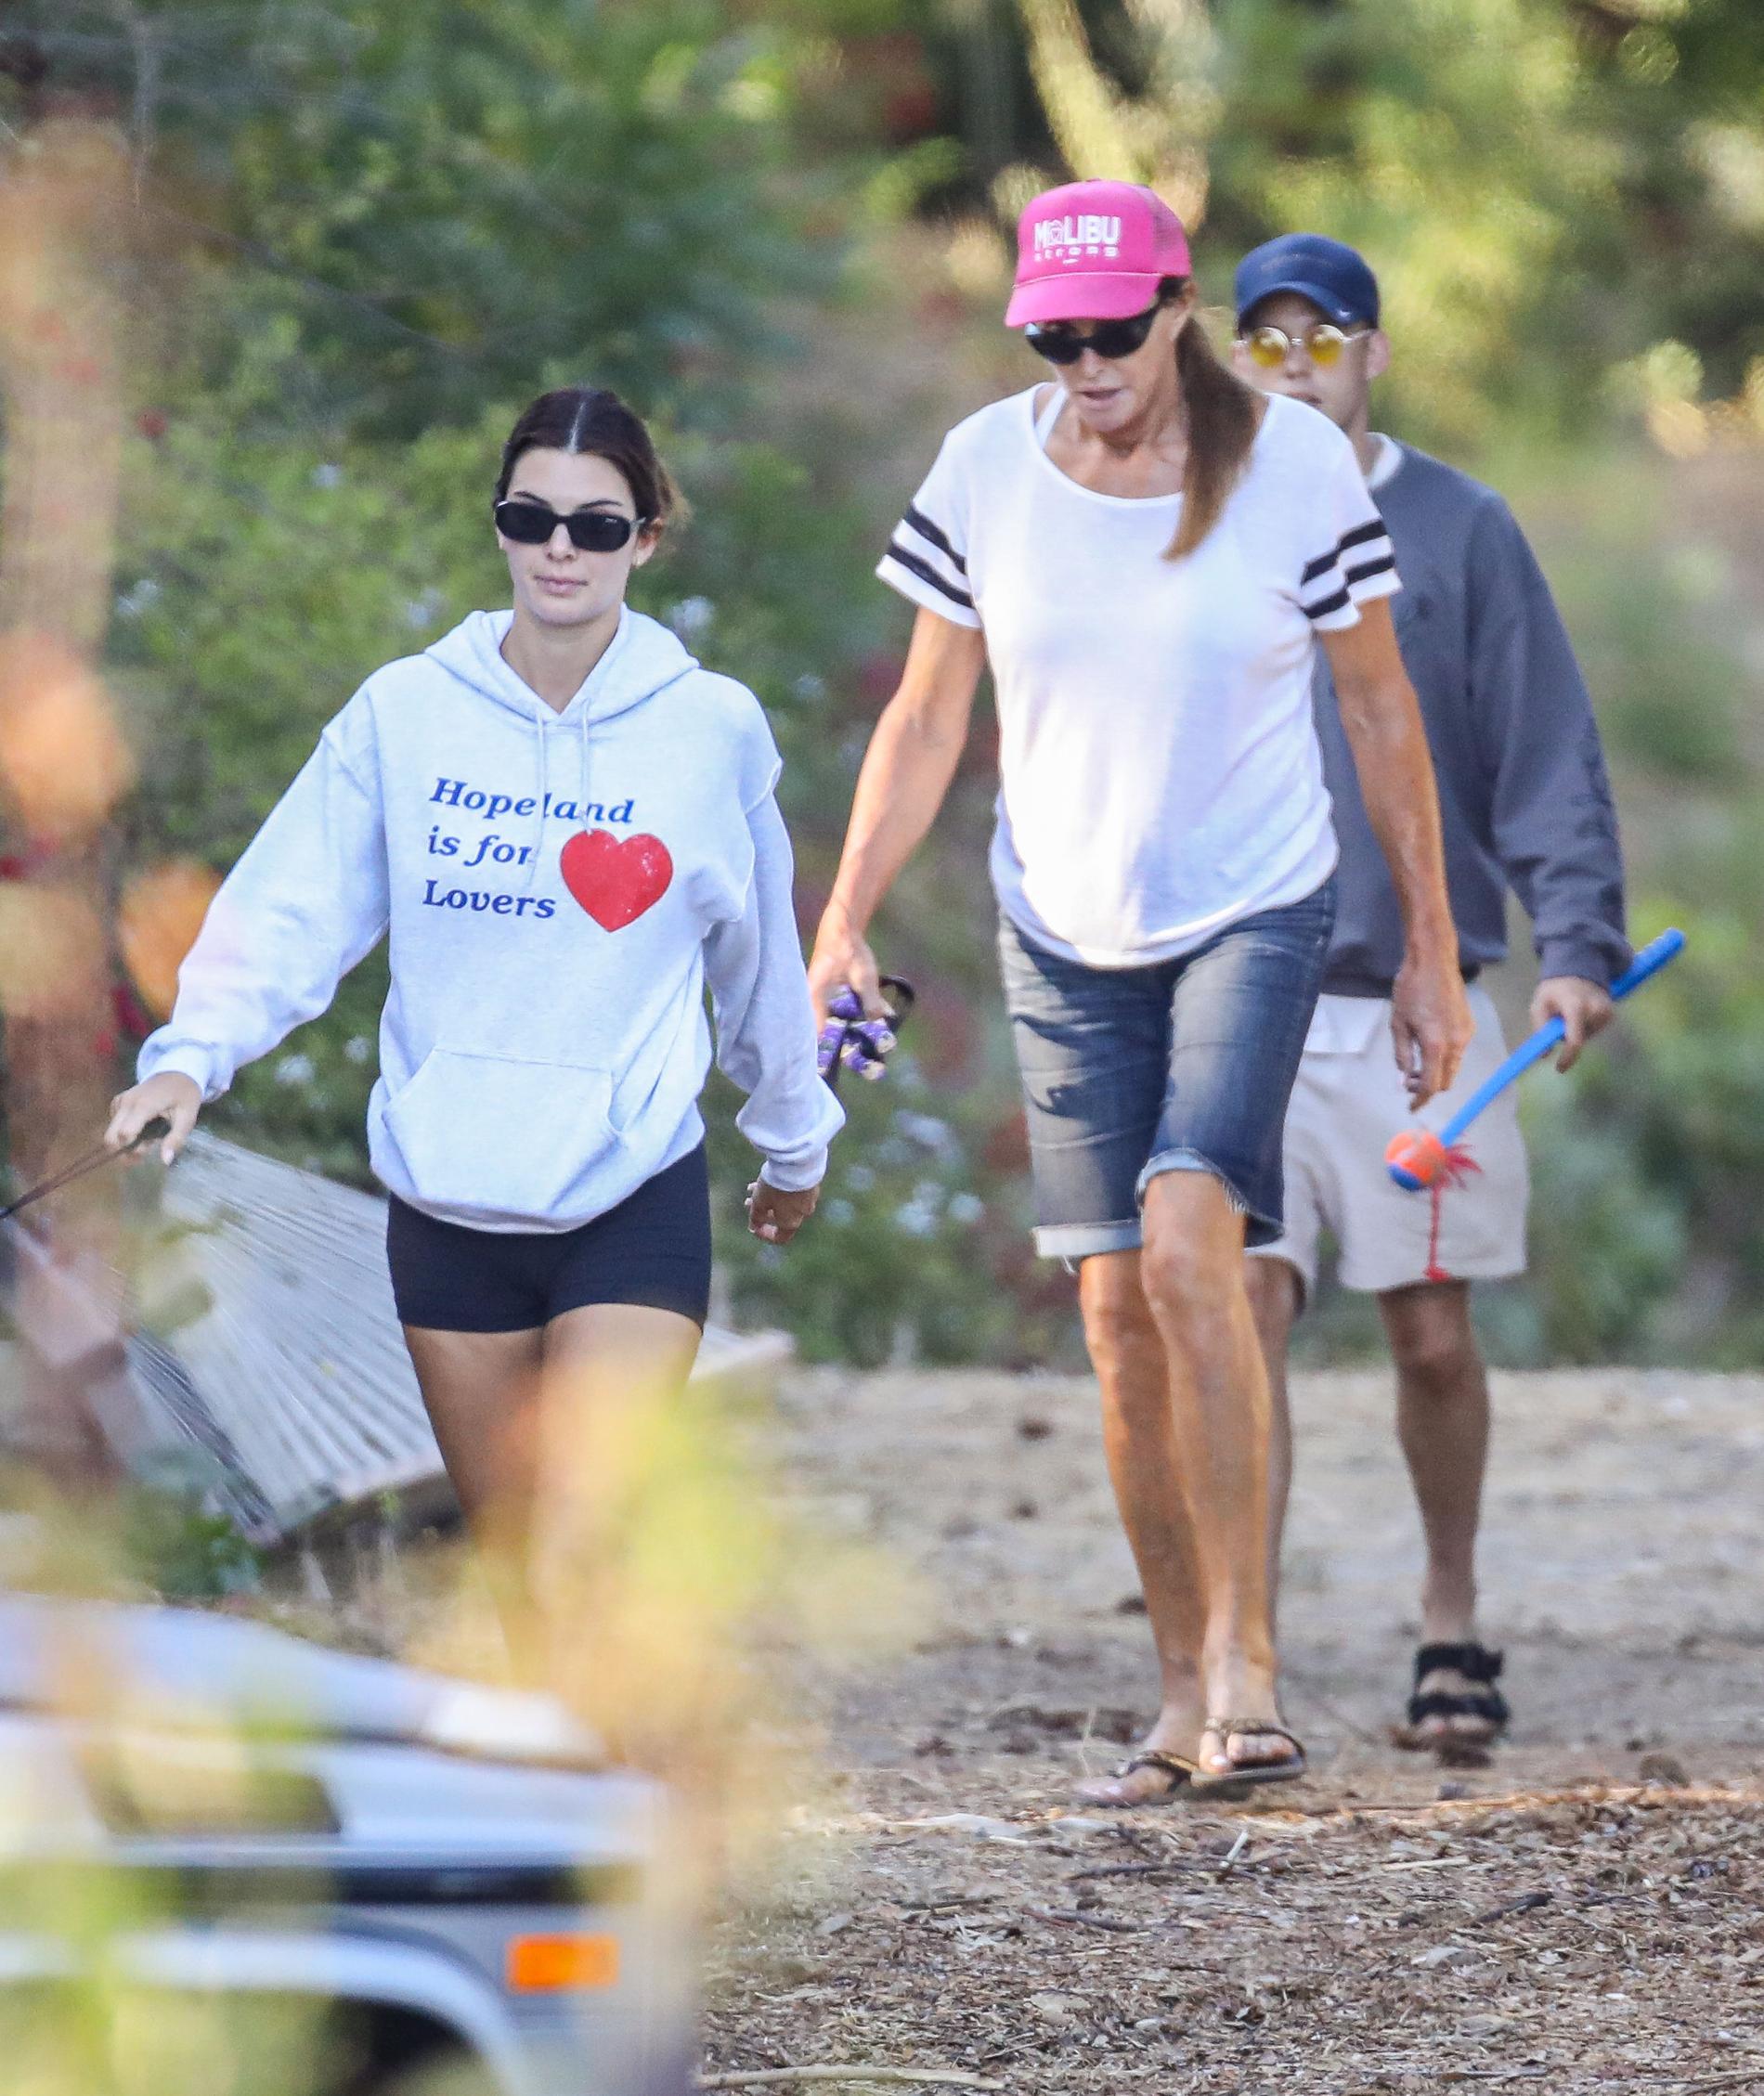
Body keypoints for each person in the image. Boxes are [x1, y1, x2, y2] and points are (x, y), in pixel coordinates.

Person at [808, 180, 1472, 1802]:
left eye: (1115, 330)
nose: (1089, 363)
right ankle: (1179, 1693)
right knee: (1112, 1310)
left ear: (1179, 309)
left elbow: (1379, 708)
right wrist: (843, 917)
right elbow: (927, 717)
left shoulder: (1292, 466)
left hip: (1253, 904)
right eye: (1057, 336)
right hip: (1061, 922)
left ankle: (1251, 1663)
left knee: (1190, 1250)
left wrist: (1431, 948)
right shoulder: (985, 466)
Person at [106, 384, 842, 1597]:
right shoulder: (405, 713)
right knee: (520, 1579)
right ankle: (575, 1727)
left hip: (631, 1193)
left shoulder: (710, 729)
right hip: (449, 1203)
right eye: (530, 517)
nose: (561, 548)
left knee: (576, 1550)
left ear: (647, 538)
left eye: (597, 525)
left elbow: (758, 959)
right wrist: (189, 1060)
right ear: (499, 524)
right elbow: (292, 905)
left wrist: (793, 1140)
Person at [1231, 235, 1629, 1747]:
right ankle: (1242, 1663)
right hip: (1236, 993)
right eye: (1265, 343)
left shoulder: (1462, 528)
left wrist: (1577, 943)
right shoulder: (1197, 521)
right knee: (1241, 1315)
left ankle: (1449, 1615)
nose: (1295, 368)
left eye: (1322, 340)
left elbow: (1545, 748)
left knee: (1433, 1334)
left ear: (1374, 353)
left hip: (1423, 1005)